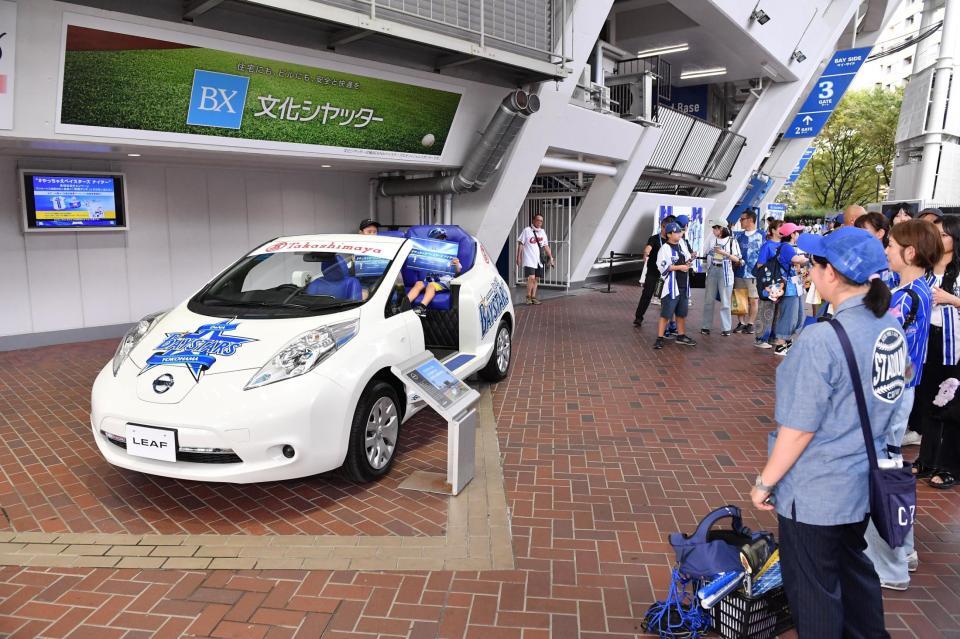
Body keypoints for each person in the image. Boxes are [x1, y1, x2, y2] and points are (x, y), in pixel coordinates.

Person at [750, 226, 904, 638]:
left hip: (816, 489)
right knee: (854, 575)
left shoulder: (823, 338)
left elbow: (798, 429)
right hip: (861, 482)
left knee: (814, 591)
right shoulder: (887, 327)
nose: (808, 267)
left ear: (830, 273)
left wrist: (766, 482)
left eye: (814, 262)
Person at [862, 218, 940, 591]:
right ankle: (901, 546)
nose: (887, 251)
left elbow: (878, 338)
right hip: (902, 390)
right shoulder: (919, 288)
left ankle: (890, 561)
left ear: (910, 252)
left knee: (882, 472)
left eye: (891, 245)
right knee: (890, 468)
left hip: (891, 393)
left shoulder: (907, 296)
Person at [914, 215, 960, 489]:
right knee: (928, 402)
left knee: (951, 406)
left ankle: (949, 466)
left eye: (944, 234)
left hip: (954, 346)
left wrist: (951, 299)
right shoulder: (926, 267)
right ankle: (926, 459)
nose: (938, 238)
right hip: (926, 340)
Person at [758, 222, 809, 356]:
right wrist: (808, 258)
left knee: (797, 316)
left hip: (793, 287)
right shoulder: (786, 247)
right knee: (789, 316)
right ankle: (780, 344)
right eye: (797, 232)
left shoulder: (789, 246)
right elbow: (796, 259)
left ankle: (786, 341)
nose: (798, 234)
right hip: (788, 288)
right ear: (792, 234)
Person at [653, 222, 696, 349]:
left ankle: (681, 335)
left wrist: (689, 262)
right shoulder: (664, 249)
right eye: (677, 232)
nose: (679, 234)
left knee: (681, 312)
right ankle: (660, 337)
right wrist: (680, 267)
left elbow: (687, 260)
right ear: (669, 234)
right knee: (666, 313)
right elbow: (662, 266)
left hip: (683, 284)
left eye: (680, 232)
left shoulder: (682, 245)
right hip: (671, 286)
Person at [407, 229, 462, 317]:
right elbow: (418, 263)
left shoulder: (450, 254)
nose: (442, 240)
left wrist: (456, 264)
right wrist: (415, 257)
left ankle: (422, 308)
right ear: (431, 240)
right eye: (439, 238)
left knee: (431, 285)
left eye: (443, 238)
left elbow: (458, 270)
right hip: (429, 280)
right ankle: (404, 306)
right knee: (418, 283)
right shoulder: (426, 252)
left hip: (444, 282)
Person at [701, 221, 742, 336]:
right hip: (713, 269)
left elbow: (738, 259)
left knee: (725, 301)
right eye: (713, 228)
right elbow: (705, 253)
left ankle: (726, 328)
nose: (713, 230)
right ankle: (705, 326)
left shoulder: (732, 241)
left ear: (722, 228)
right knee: (708, 300)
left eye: (715, 228)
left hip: (726, 271)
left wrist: (724, 253)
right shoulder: (712, 239)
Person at [634, 215, 676, 326]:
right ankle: (638, 317)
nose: (663, 229)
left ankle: (667, 320)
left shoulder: (671, 240)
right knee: (647, 294)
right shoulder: (654, 238)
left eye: (666, 227)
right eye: (662, 226)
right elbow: (648, 248)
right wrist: (646, 253)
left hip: (666, 273)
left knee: (666, 297)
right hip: (653, 272)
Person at [733, 209, 764, 334]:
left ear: (750, 220)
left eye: (742, 219)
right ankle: (741, 322)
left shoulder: (761, 235)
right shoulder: (738, 236)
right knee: (739, 299)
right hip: (739, 272)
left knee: (753, 299)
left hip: (753, 273)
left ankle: (750, 323)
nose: (740, 221)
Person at [517, 214, 554, 305]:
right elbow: (521, 244)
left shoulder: (542, 232)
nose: (540, 222)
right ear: (533, 220)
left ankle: (533, 297)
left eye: (541, 221)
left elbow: (546, 246)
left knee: (536, 279)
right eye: (538, 220)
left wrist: (551, 257)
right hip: (529, 259)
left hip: (539, 260)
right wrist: (518, 257)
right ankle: (528, 297)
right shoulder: (527, 230)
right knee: (531, 278)